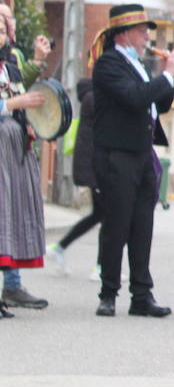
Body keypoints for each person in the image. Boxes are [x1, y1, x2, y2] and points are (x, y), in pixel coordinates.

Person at [90, 4, 174, 317]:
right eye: (142, 31)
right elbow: (134, 98)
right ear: (125, 33)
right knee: (117, 225)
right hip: (116, 155)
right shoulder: (108, 64)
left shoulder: (138, 64)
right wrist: (166, 74)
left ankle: (141, 294)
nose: (147, 37)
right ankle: (108, 292)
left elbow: (159, 103)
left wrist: (169, 79)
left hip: (143, 154)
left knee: (143, 226)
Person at [0, 16, 49, 316]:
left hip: (10, 152)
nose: (2, 34)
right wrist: (13, 106)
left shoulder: (9, 68)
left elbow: (19, 97)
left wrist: (25, 123)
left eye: (2, 29)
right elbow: (12, 101)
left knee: (6, 219)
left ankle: (9, 288)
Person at [47, 78, 101, 277]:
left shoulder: (91, 96)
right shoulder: (94, 98)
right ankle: (101, 267)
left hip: (93, 166)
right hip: (94, 167)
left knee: (100, 214)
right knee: (107, 215)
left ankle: (60, 247)